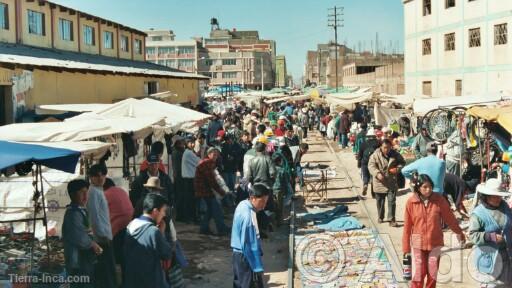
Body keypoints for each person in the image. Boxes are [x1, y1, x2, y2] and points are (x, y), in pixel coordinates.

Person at [402, 174, 465, 288]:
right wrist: (406, 248)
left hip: (435, 243)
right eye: (425, 187)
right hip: (418, 244)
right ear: (418, 188)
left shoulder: (439, 200)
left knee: (432, 275)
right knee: (419, 274)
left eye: (430, 186)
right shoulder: (411, 203)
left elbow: (450, 218)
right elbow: (407, 227)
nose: (428, 189)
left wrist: (459, 232)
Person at [469, 178, 512, 287]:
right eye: (495, 196)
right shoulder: (478, 213)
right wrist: (491, 237)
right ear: (486, 196)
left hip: (506, 256)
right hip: (488, 259)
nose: (498, 199)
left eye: (499, 196)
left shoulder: (505, 207)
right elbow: (472, 235)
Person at [124, 193, 173, 288]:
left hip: (132, 279)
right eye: (163, 211)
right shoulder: (153, 231)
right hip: (151, 280)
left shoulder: (131, 225)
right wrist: (162, 232)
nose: (164, 215)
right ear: (155, 211)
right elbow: (167, 254)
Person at [62, 179, 102, 287]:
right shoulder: (73, 213)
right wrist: (93, 244)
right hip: (78, 262)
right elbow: (79, 237)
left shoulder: (80, 210)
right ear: (72, 195)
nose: (85, 196)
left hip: (84, 259)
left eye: (86, 192)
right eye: (81, 193)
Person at [231, 184, 270, 288]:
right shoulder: (248, 217)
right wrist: (257, 266)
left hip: (237, 254)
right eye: (262, 202)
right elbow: (249, 244)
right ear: (252, 198)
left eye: (265, 202)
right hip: (245, 257)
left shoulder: (243, 204)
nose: (264, 206)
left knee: (239, 283)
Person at [86, 164, 116, 288]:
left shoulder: (99, 191)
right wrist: (103, 236)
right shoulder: (93, 192)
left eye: (102, 175)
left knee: (108, 271)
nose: (100, 178)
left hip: (105, 235)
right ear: (91, 178)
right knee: (106, 273)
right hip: (101, 238)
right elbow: (94, 217)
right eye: (96, 176)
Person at [368, 139, 405, 226]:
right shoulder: (375, 155)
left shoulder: (395, 154)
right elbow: (371, 166)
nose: (387, 150)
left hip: (391, 181)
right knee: (380, 202)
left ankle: (391, 219)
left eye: (389, 148)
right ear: (381, 147)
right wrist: (377, 174)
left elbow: (402, 162)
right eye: (385, 147)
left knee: (392, 201)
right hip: (379, 182)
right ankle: (380, 216)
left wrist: (397, 169)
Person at [103, 178, 133, 285]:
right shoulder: (121, 191)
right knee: (125, 258)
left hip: (117, 230)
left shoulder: (105, 194)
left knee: (112, 258)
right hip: (130, 227)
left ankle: (115, 282)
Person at [194, 147, 230, 235]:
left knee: (210, 210)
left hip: (204, 190)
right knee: (217, 209)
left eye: (217, 155)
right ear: (209, 154)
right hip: (205, 190)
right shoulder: (207, 163)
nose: (216, 156)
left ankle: (204, 228)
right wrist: (221, 191)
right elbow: (212, 181)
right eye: (214, 154)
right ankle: (221, 229)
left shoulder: (208, 162)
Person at [181, 136, 201, 223]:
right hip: (189, 180)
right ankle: (193, 218)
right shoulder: (188, 153)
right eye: (190, 143)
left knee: (189, 200)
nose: (192, 144)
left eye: (193, 142)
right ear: (186, 143)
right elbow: (199, 162)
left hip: (188, 179)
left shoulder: (188, 152)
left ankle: (190, 218)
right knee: (192, 200)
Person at [357, 128, 380, 196]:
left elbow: (360, 155)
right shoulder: (378, 143)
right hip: (375, 162)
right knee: (374, 176)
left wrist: (359, 164)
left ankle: (365, 184)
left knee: (365, 174)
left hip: (365, 161)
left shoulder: (363, 144)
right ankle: (374, 193)